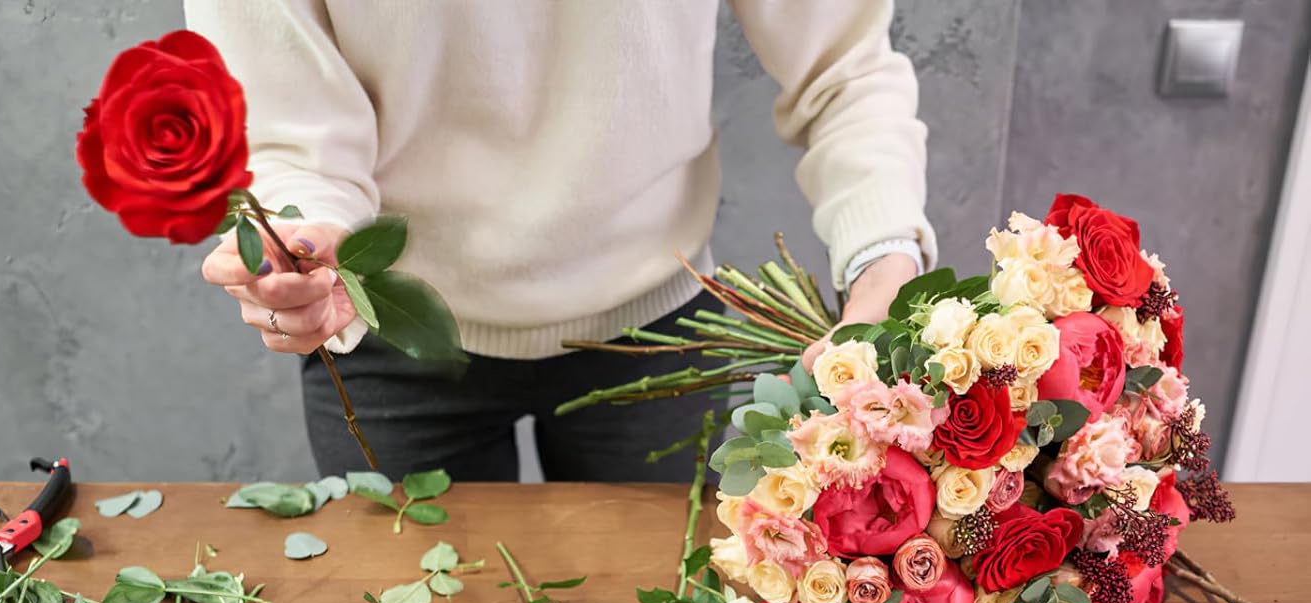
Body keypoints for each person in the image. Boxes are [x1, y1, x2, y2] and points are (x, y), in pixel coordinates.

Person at [186, 0, 934, 483]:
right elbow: (286, 131)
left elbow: (845, 67)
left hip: (657, 328)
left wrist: (884, 265)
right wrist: (304, 243)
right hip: (386, 328)